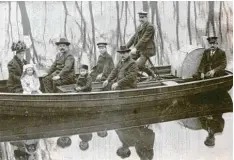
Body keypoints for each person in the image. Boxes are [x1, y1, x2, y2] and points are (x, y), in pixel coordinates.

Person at [126, 11, 156, 80]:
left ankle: (151, 73)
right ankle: (133, 77)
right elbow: (134, 37)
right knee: (128, 62)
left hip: (147, 50)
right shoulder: (140, 26)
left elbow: (144, 39)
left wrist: (135, 48)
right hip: (139, 49)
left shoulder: (150, 27)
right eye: (140, 18)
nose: (140, 19)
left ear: (146, 17)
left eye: (142, 17)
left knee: (138, 65)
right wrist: (126, 47)